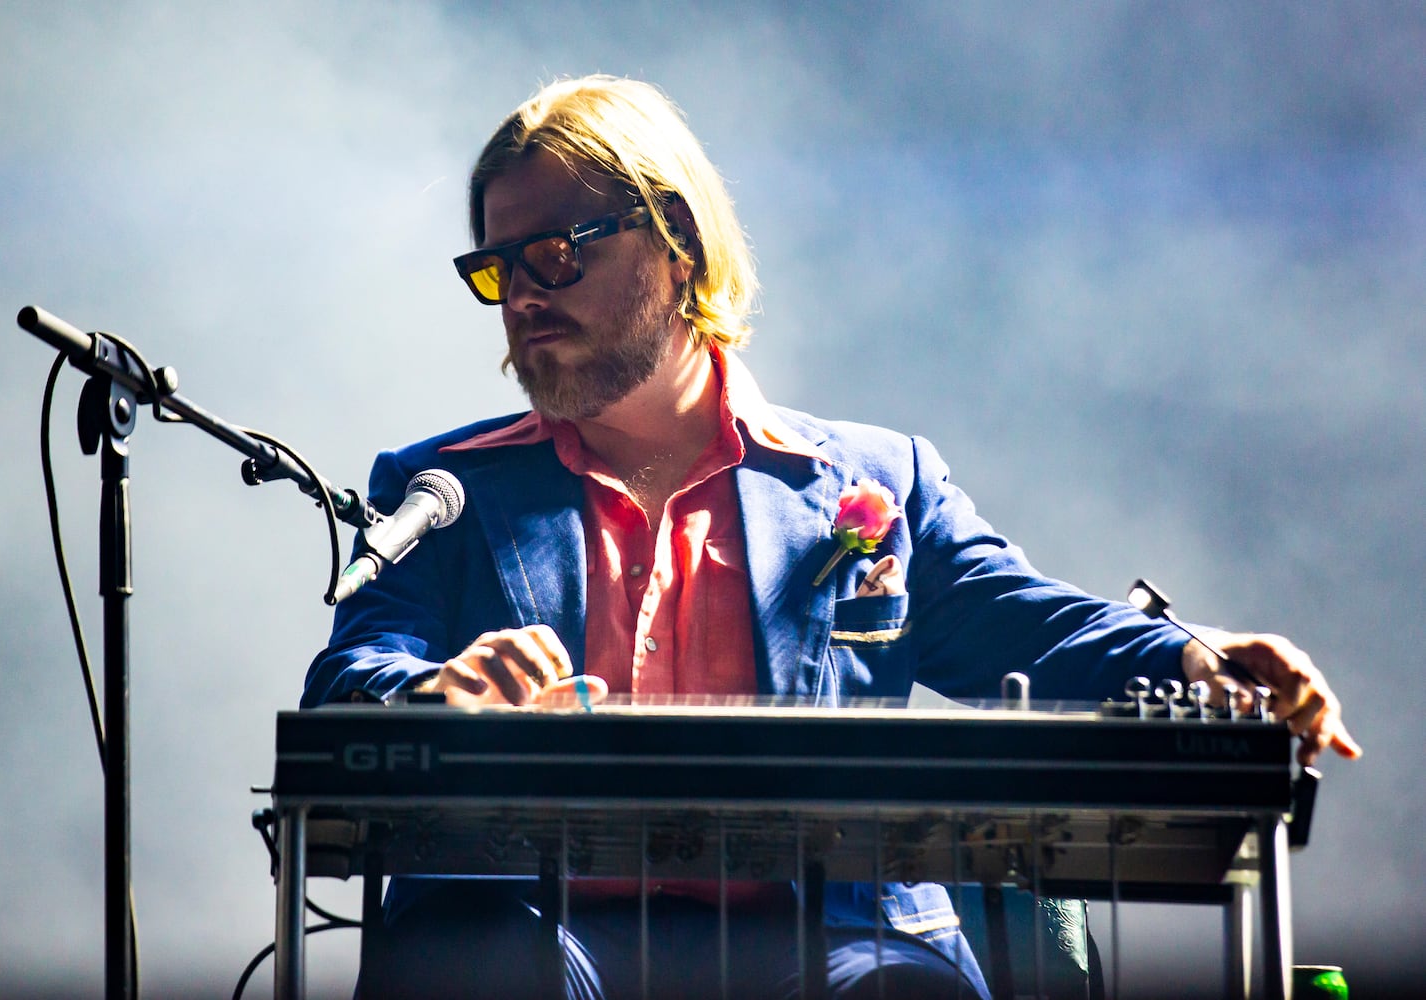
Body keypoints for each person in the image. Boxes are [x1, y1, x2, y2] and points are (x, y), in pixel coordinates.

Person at [303, 75, 1361, 1000]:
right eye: (498, 270)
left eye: (552, 254)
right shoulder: (439, 487)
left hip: (831, 937)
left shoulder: (872, 480)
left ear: (674, 241)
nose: (522, 295)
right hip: (531, 925)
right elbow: (351, 673)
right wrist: (433, 690)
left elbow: (1022, 622)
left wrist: (1192, 654)